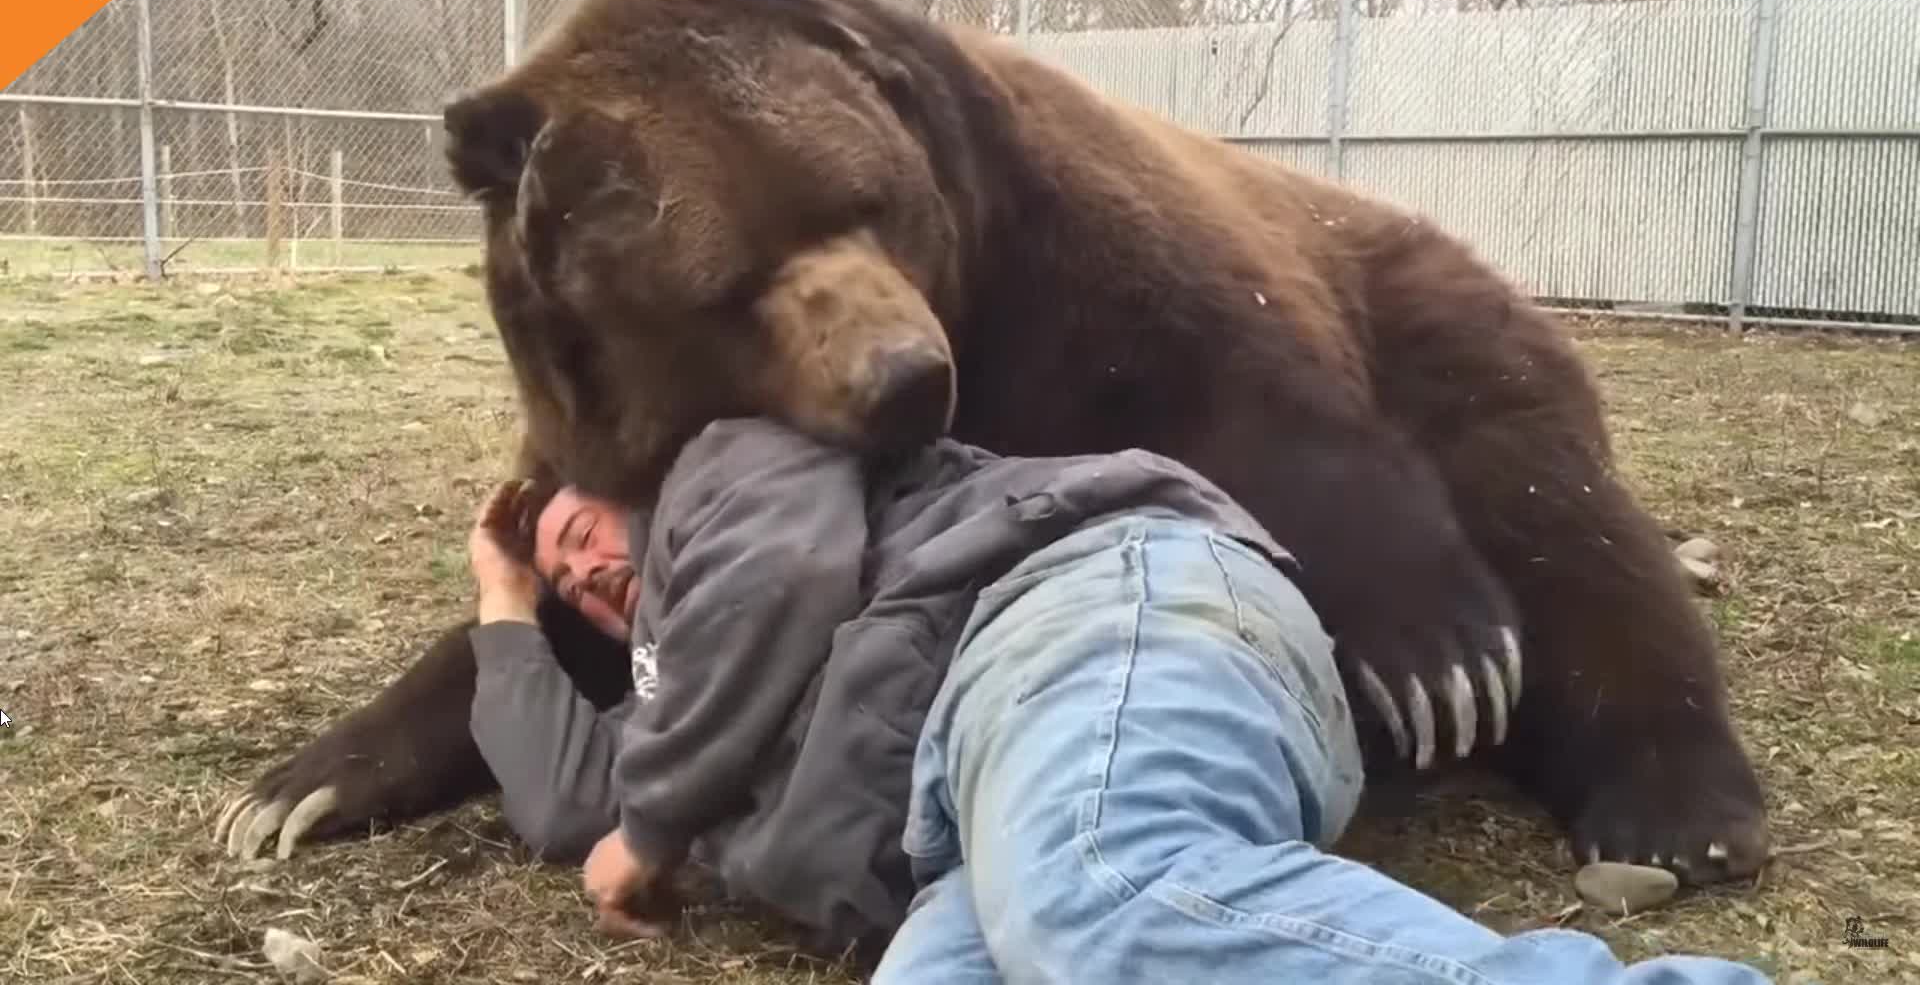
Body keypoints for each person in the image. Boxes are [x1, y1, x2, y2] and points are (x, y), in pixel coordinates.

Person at [463, 416, 1775, 984]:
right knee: (1063, 905)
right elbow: (570, 794)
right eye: (570, 584)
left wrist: (658, 824)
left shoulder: (725, 471)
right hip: (964, 839)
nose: (582, 566)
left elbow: (788, 572)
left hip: (1083, 616)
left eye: (577, 527)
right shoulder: (671, 697)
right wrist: (505, 599)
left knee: (1104, 886)